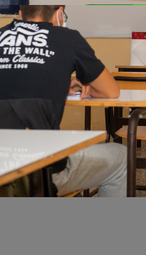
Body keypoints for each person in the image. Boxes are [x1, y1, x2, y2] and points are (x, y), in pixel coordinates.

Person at [0, 5, 126, 197]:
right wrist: (84, 86)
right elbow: (111, 91)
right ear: (59, 13)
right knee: (121, 157)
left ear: (20, 14)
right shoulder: (68, 39)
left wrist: (62, 83)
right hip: (41, 171)